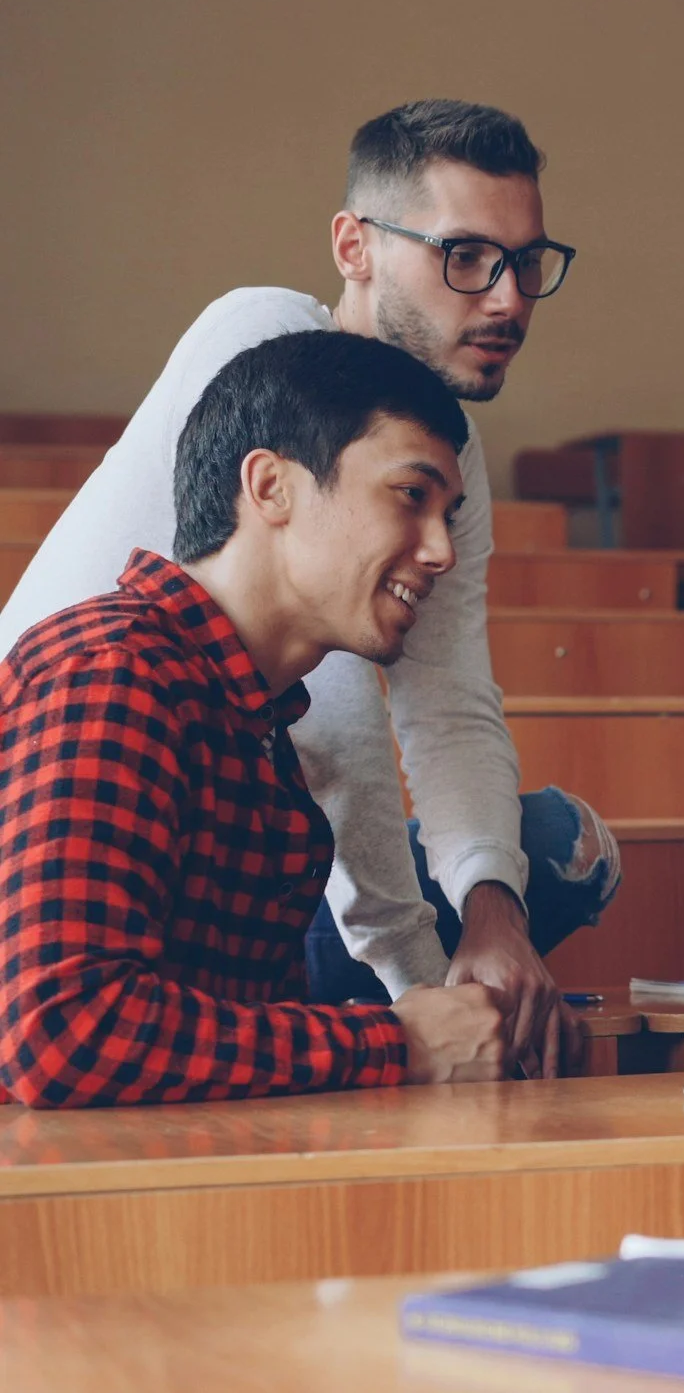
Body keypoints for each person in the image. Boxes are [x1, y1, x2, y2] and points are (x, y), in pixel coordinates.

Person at [0, 100, 615, 1076]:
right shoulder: (263, 343)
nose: (505, 299)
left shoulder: (449, 448)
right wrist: (414, 1018)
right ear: (355, 245)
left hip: (240, 775)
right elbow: (331, 727)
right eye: (464, 255)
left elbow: (447, 702)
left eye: (526, 262)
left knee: (555, 851)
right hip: (86, 783)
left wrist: (491, 918)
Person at [0, 331, 518, 1106]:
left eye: (449, 513)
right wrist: (399, 1042)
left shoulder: (253, 721)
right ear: (271, 485)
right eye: (412, 495)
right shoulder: (119, 674)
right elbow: (60, 1033)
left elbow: (230, 1059)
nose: (441, 550)